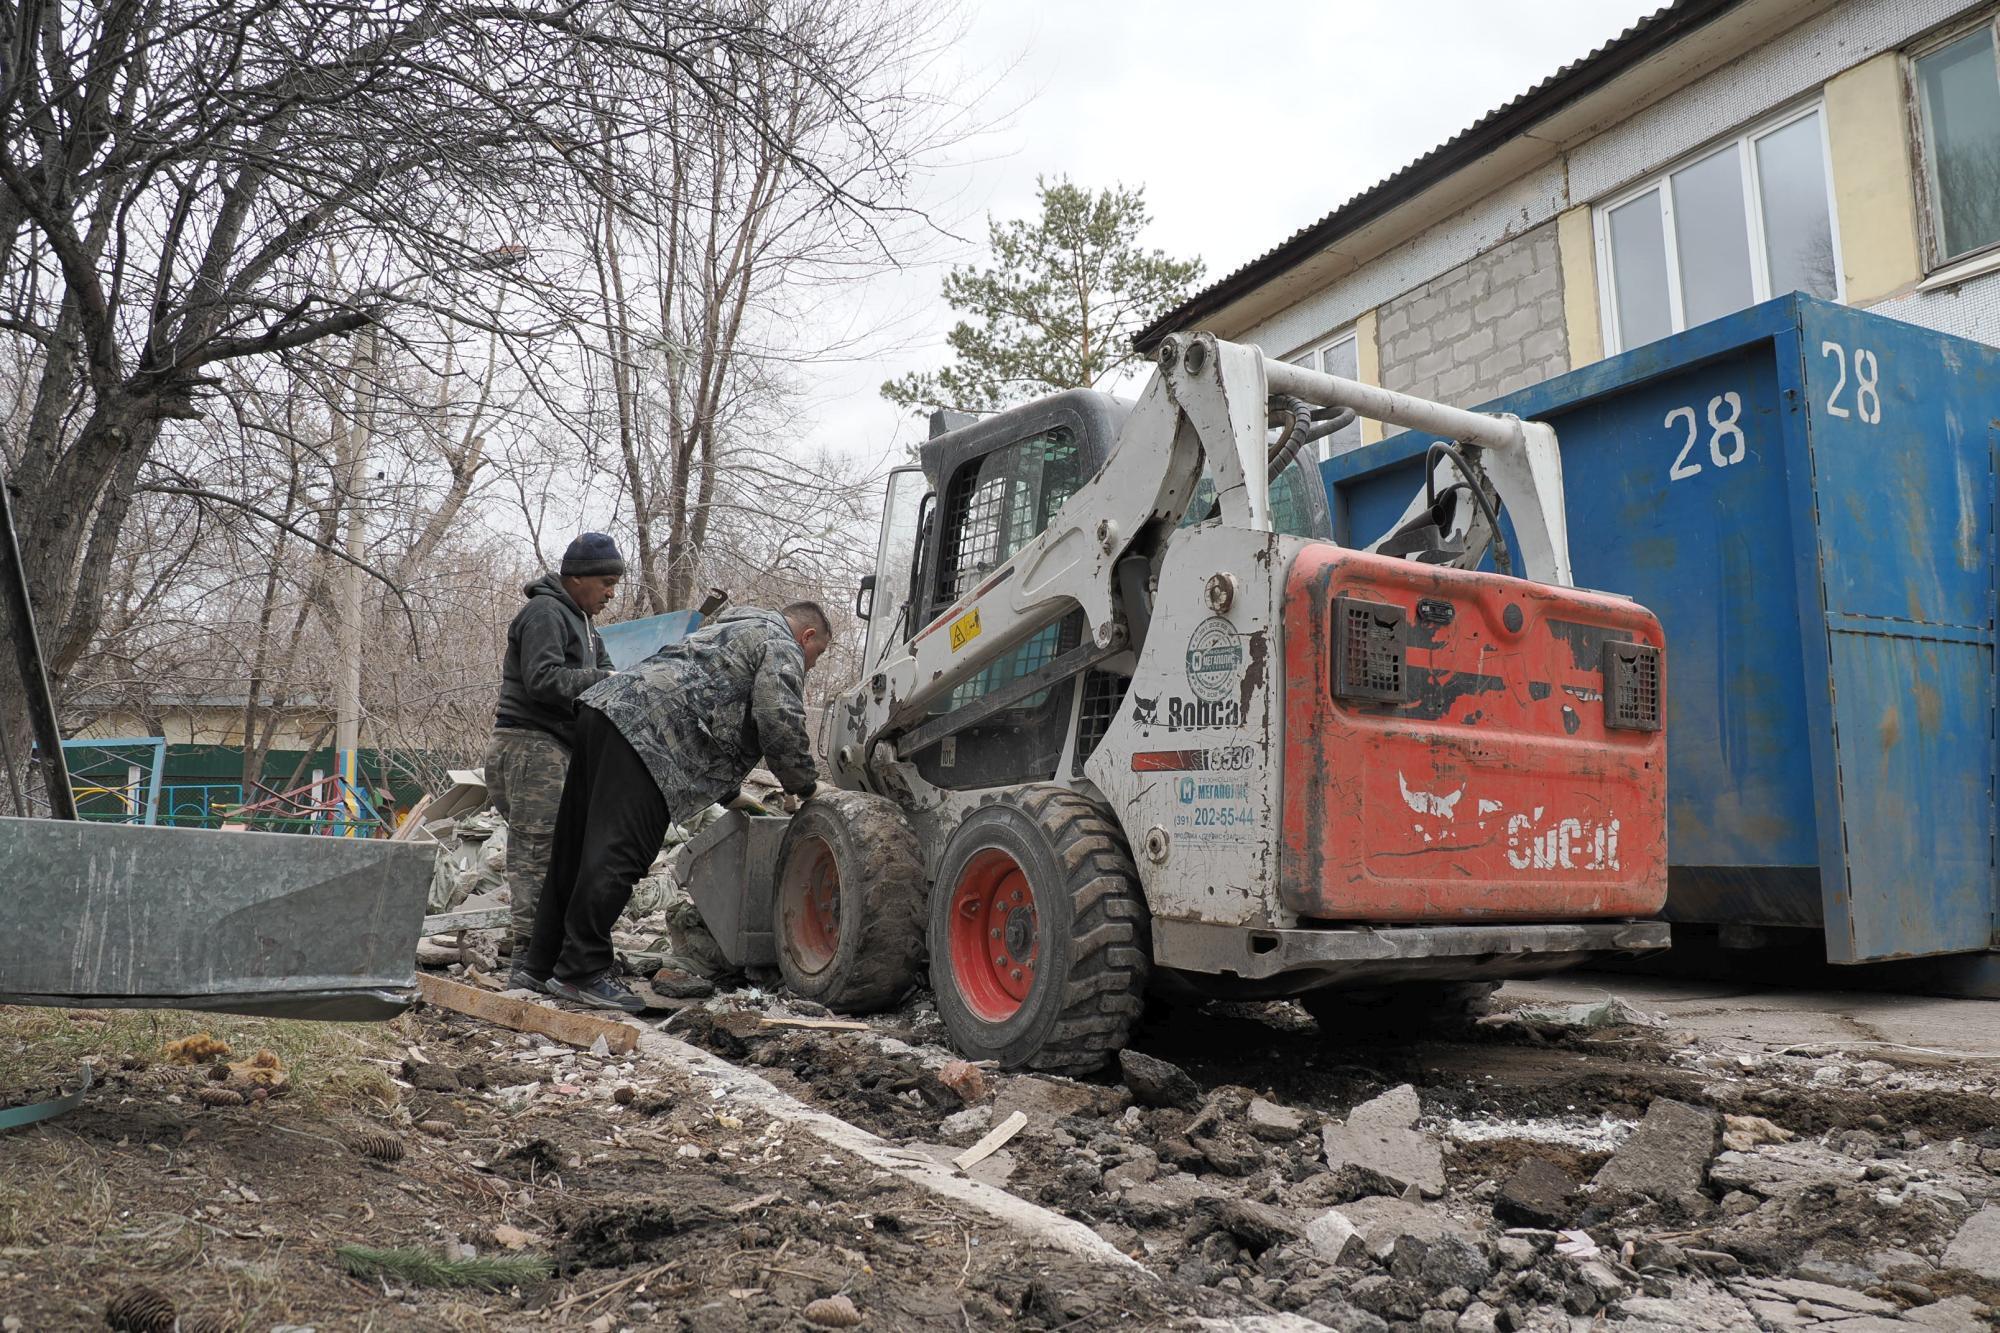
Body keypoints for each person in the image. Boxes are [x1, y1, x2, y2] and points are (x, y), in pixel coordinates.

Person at [518, 602, 831, 1012]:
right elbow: (777, 715)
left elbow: (707, 702)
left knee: (575, 846)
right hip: (648, 738)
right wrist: (804, 785)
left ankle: (540, 964)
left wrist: (729, 793)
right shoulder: (780, 642)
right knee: (619, 854)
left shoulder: (732, 629)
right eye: (817, 656)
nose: (810, 666)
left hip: (607, 712)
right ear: (807, 637)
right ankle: (581, 971)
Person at [486, 533, 623, 966]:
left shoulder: (584, 623)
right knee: (535, 851)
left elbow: (605, 671)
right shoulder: (545, 612)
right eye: (605, 581)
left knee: (557, 850)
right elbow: (543, 680)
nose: (611, 592)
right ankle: (531, 953)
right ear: (576, 577)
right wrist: (606, 682)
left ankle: (548, 945)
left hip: (555, 748)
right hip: (529, 745)